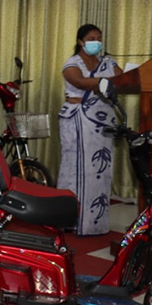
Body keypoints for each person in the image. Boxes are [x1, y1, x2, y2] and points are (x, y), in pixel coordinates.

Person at [57, 23, 123, 236]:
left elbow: (123, 80)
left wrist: (116, 80)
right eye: (92, 38)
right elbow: (80, 81)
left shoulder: (107, 62)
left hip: (101, 121)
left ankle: (95, 223)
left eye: (99, 38)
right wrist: (106, 81)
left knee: (98, 169)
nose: (97, 42)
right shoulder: (72, 63)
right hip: (77, 119)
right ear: (80, 41)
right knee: (74, 169)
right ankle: (71, 221)